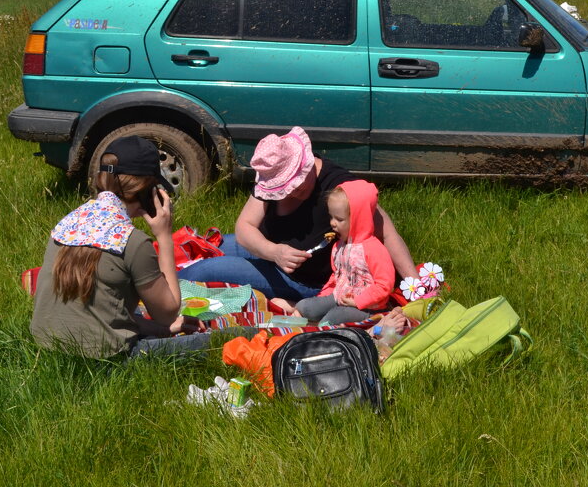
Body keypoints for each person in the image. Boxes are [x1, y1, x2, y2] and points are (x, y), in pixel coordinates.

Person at [30, 136, 249, 358]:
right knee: (239, 336)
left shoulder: (66, 225)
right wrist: (164, 236)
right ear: (147, 191)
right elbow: (167, 313)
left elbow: (101, 306)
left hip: (49, 348)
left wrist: (163, 331)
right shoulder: (133, 242)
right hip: (109, 358)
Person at [176, 127, 417, 301]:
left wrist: (415, 285)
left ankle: (160, 290)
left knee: (205, 270)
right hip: (271, 251)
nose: (288, 195)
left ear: (307, 165)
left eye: (295, 188)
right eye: (282, 190)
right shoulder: (274, 167)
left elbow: (385, 230)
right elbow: (244, 228)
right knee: (202, 246)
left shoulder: (339, 187)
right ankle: (148, 267)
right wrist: (274, 252)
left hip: (305, 280)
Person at [294, 181, 395, 325]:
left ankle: (319, 329)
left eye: (339, 219)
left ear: (358, 218)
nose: (333, 223)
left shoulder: (373, 249)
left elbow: (385, 284)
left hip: (367, 307)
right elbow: (337, 276)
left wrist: (358, 301)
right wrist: (322, 298)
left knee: (335, 316)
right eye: (331, 217)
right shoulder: (339, 246)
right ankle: (309, 321)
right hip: (339, 296)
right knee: (306, 306)